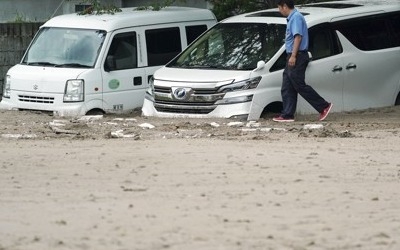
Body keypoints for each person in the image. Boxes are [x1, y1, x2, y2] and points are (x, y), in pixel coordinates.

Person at [273, 0, 332, 122]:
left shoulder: (295, 17)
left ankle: (323, 106)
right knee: (287, 85)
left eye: (279, 8)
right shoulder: (293, 17)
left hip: (298, 55)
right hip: (293, 54)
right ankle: (287, 114)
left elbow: (298, 37)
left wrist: (293, 56)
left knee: (299, 84)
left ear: (284, 6)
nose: (279, 11)